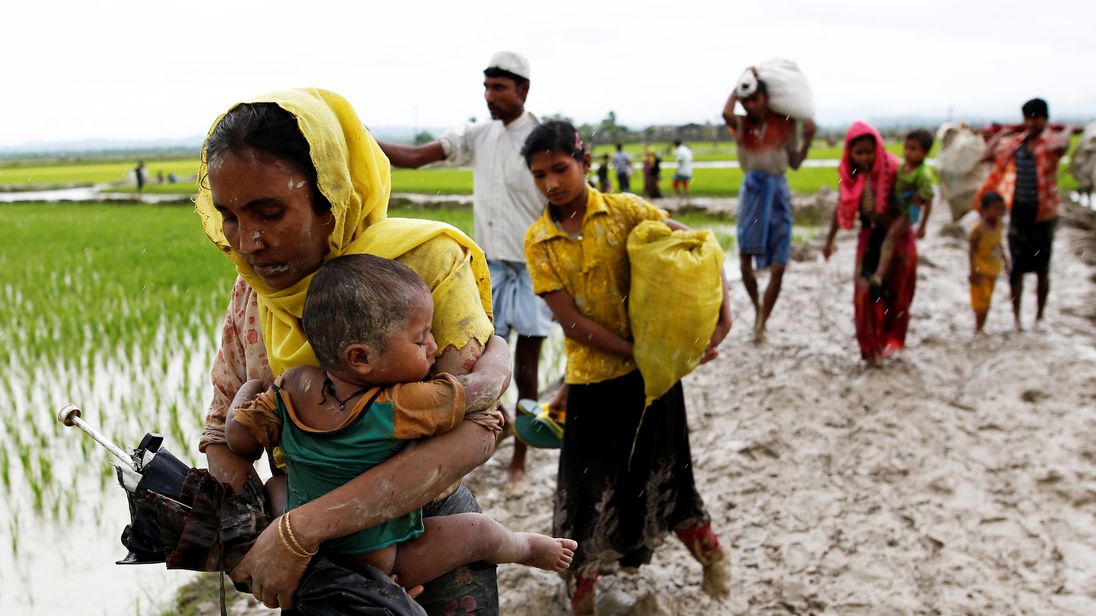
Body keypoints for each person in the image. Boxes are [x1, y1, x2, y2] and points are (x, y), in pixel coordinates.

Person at [196, 88, 507, 613]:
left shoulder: (420, 264)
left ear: (331, 198)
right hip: (313, 565)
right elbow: (220, 430)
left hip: (426, 535)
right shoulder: (254, 290)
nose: (247, 242)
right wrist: (255, 538)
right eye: (229, 216)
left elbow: (475, 430)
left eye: (269, 213)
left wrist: (304, 532)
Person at [226, 254, 576, 590]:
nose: (434, 346)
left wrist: (249, 389)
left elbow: (239, 439)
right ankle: (527, 547)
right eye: (420, 338)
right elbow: (484, 389)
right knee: (481, 533)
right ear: (361, 357)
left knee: (277, 486)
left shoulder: (292, 385)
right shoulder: (399, 405)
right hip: (377, 563)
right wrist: (496, 344)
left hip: (304, 556)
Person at [520, 121, 732, 614]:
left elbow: (698, 243)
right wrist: (642, 352)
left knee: (669, 480)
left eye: (560, 168)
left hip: (653, 385)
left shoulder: (627, 212)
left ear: (584, 162)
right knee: (584, 495)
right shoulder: (540, 241)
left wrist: (720, 309)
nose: (552, 182)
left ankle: (713, 559)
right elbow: (571, 325)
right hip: (593, 387)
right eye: (539, 175)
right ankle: (583, 597)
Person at [377, 52, 553, 485]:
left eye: (499, 88)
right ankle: (504, 426)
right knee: (478, 362)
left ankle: (520, 460)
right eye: (486, 88)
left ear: (523, 90)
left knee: (528, 369)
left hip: (533, 269)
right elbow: (417, 157)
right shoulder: (479, 136)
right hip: (488, 270)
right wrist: (361, 139)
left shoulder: (542, 139)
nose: (490, 97)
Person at [722, 81, 816, 342]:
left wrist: (807, 140)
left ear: (766, 98)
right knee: (744, 261)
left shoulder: (784, 124)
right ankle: (756, 307)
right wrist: (739, 83)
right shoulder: (741, 125)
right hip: (752, 193)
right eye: (745, 101)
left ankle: (762, 321)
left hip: (778, 194)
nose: (750, 105)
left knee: (779, 264)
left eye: (755, 99)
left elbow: (795, 163)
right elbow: (726, 114)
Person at [976, 98, 1074, 330]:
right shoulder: (1015, 144)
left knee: (1042, 269)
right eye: (1028, 117)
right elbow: (986, 156)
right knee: (1016, 269)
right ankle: (1017, 318)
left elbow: (1063, 145)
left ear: (1045, 119)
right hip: (1019, 213)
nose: (1031, 122)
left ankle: (1039, 317)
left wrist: (1068, 128)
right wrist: (1002, 134)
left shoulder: (1050, 143)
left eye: (1036, 117)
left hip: (1044, 215)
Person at [822, 121, 915, 365]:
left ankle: (891, 342)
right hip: (869, 236)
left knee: (896, 292)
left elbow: (914, 203)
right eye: (858, 152)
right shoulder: (850, 176)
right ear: (849, 153)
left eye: (868, 151)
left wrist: (902, 226)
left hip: (897, 238)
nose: (864, 157)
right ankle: (871, 348)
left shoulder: (895, 169)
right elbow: (840, 206)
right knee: (865, 293)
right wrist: (830, 240)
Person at [867, 128, 935, 287]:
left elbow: (929, 200)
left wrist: (923, 226)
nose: (907, 152)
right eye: (906, 147)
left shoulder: (922, 175)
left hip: (908, 211)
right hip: (898, 207)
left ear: (925, 153)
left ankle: (879, 274)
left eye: (913, 149)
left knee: (891, 236)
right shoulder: (903, 166)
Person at [969, 192, 1009, 334]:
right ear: (984, 210)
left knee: (987, 300)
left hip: (993, 269)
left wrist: (1006, 262)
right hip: (980, 271)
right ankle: (978, 328)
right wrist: (973, 270)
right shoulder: (978, 230)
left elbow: (999, 245)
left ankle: (981, 328)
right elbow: (972, 250)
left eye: (1001, 209)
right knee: (980, 302)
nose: (999, 212)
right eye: (995, 209)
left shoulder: (999, 226)